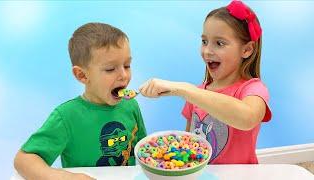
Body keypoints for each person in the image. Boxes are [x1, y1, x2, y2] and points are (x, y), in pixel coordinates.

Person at [139, 0, 272, 164]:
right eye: (204, 41)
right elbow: (187, 145)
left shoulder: (253, 89)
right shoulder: (197, 93)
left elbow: (248, 118)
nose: (207, 51)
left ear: (246, 50)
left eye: (219, 43)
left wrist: (186, 90)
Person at [14, 22, 147, 179]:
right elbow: (23, 160)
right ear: (82, 75)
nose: (124, 75)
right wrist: (65, 178)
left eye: (127, 65)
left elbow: (143, 151)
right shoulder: (66, 117)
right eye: (110, 69)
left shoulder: (130, 105)